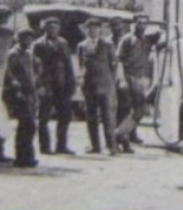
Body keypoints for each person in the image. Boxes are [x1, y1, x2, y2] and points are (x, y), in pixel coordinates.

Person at [115, 13, 166, 148]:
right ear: (134, 24)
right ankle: (123, 140)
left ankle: (121, 135)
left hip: (139, 78)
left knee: (140, 108)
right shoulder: (127, 39)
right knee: (124, 109)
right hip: (127, 76)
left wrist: (163, 28)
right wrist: (121, 80)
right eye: (139, 22)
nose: (142, 25)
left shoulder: (147, 39)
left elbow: (162, 39)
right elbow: (119, 60)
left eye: (144, 23)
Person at [32, 17, 77, 155]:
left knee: (64, 117)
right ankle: (45, 147)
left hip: (62, 85)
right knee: (44, 117)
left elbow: (69, 65)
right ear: (44, 29)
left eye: (55, 28)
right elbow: (34, 67)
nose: (53, 30)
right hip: (46, 86)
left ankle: (61, 146)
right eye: (49, 27)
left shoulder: (63, 43)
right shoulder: (38, 44)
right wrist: (39, 85)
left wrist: (71, 83)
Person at [77, 18, 118, 155]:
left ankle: (111, 146)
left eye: (95, 28)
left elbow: (114, 65)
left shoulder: (108, 44)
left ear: (100, 30)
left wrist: (112, 83)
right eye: (90, 28)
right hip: (89, 86)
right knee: (91, 117)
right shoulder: (82, 45)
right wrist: (82, 81)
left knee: (107, 117)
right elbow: (81, 65)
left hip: (105, 86)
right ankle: (95, 146)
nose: (92, 31)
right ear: (86, 30)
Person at [0, 29, 41, 168]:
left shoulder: (29, 54)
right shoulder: (13, 54)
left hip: (30, 92)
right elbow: (8, 73)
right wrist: (15, 86)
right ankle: (22, 158)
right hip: (19, 93)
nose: (29, 42)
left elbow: (34, 70)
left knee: (29, 126)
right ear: (19, 39)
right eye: (26, 39)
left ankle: (27, 157)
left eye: (30, 39)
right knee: (26, 125)